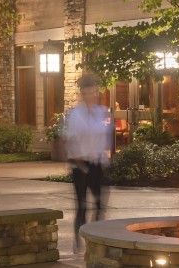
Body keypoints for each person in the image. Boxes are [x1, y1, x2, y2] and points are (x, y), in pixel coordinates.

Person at [63, 73, 113, 250]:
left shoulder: (101, 112)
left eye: (93, 91)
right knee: (82, 205)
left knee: (99, 204)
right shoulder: (77, 114)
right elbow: (72, 141)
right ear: (82, 93)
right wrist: (81, 165)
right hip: (80, 164)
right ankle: (79, 241)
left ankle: (95, 238)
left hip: (96, 163)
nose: (91, 95)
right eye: (87, 92)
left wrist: (104, 158)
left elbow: (105, 137)